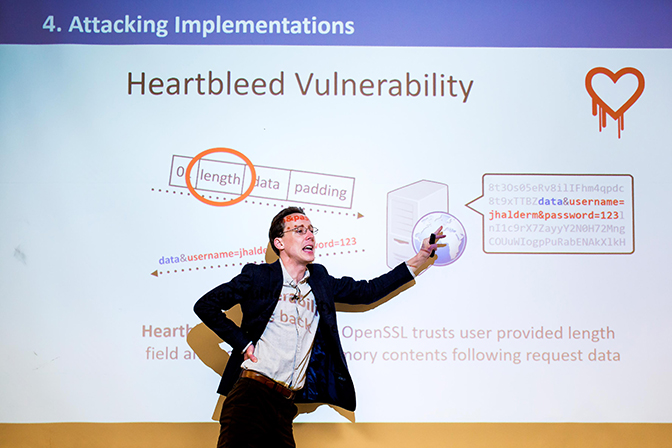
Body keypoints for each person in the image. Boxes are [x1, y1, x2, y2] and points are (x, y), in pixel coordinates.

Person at [194, 206, 442, 448]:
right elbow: (206, 305)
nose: (310, 235)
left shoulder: (320, 282)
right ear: (279, 243)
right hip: (250, 398)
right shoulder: (259, 276)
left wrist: (421, 257)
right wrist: (243, 343)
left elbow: (368, 291)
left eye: (311, 229)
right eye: (299, 230)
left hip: (284, 407)